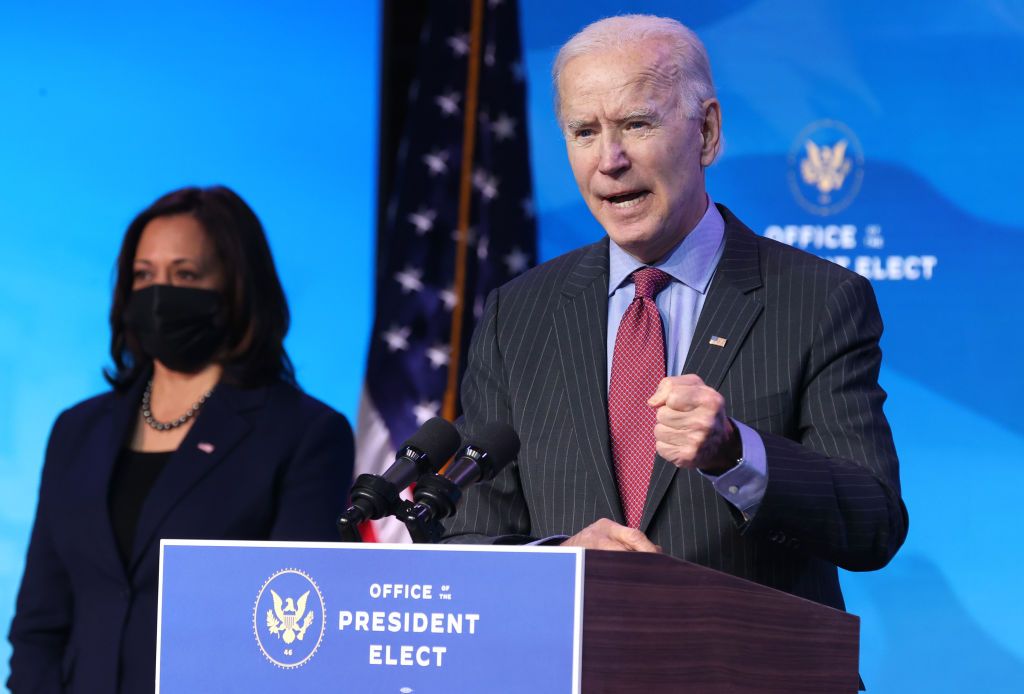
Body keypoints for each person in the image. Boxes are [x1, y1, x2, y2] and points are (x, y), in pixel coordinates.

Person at [442, 15, 908, 611]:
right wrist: (558, 560)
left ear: (707, 132)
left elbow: (873, 523)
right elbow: (472, 531)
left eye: (636, 124)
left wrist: (737, 454)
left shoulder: (817, 300)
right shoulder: (519, 314)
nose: (609, 159)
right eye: (584, 132)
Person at [7, 186, 354, 693]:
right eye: (144, 275)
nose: (159, 294)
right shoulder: (76, 431)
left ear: (236, 287)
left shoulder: (305, 434)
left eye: (185, 275)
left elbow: (292, 640)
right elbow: (41, 623)